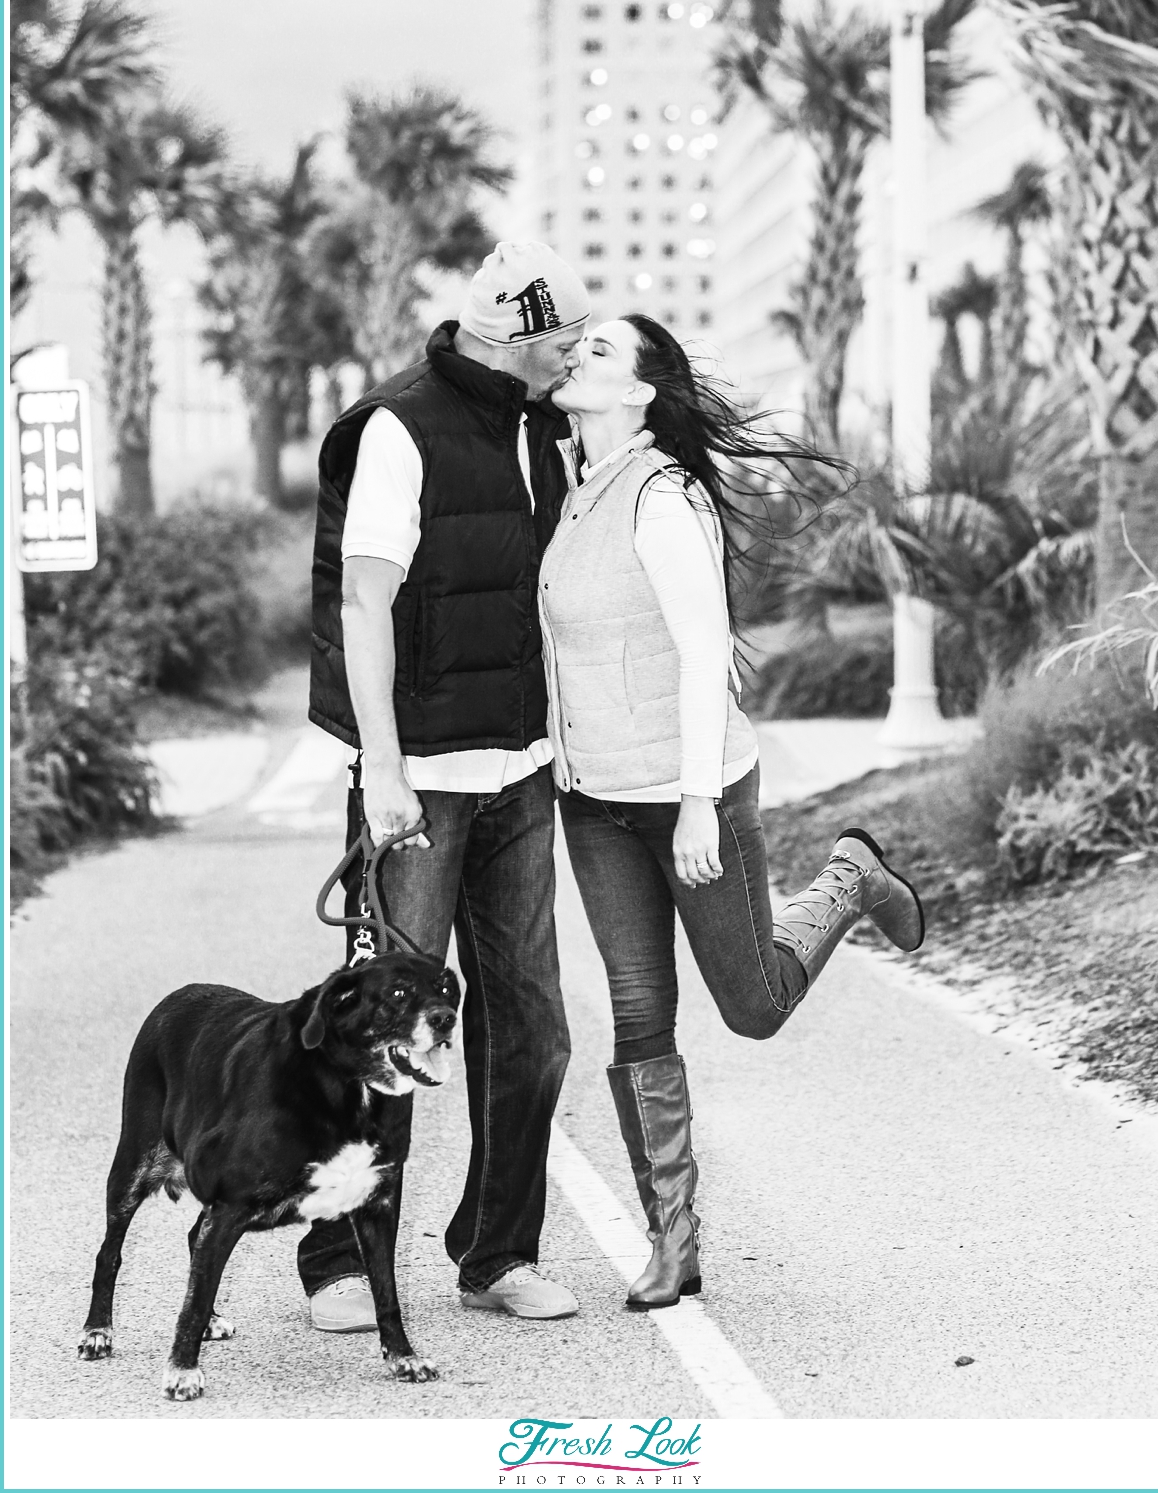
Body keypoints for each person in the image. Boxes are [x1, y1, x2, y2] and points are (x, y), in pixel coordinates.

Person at [539, 315, 925, 1311]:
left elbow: (706, 654)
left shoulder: (661, 497)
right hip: (596, 802)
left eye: (599, 353)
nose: (575, 356)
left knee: (753, 1007)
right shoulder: (568, 491)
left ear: (636, 393)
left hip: (690, 791)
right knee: (636, 1010)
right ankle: (674, 1241)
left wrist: (700, 804)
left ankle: (846, 879)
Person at [302, 240, 590, 1330]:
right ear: (515, 338)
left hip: (519, 773)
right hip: (417, 786)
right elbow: (364, 604)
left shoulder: (540, 427)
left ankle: (496, 1252)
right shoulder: (398, 427)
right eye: (564, 339)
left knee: (534, 1029)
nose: (572, 355)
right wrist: (380, 764)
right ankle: (336, 1259)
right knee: (382, 1028)